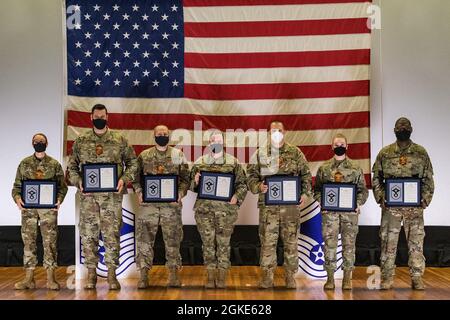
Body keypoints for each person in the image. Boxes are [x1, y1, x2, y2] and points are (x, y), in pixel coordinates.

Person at [67, 104, 138, 290]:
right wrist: (78, 182)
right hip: (88, 198)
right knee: (88, 236)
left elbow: (133, 163)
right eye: (96, 115)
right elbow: (72, 168)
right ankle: (91, 275)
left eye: (103, 115)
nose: (100, 118)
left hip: (112, 198)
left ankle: (111, 275)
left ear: (107, 117)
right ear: (91, 117)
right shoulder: (81, 141)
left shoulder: (119, 139)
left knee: (111, 235)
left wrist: (124, 179)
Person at [247, 121, 312, 289]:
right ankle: (267, 277)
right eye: (273, 130)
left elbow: (306, 176)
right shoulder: (260, 153)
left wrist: (304, 194)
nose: (277, 133)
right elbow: (250, 177)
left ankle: (290, 277)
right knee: (268, 244)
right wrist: (258, 187)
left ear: (285, 132)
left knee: (291, 244)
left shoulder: (295, 153)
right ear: (269, 133)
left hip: (290, 209)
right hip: (268, 209)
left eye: (280, 130)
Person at [372, 117, 434, 290]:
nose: (403, 128)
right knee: (388, 243)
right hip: (391, 209)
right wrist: (381, 197)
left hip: (414, 209)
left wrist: (425, 199)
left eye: (406, 125)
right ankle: (386, 277)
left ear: (411, 129)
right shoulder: (385, 153)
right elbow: (376, 177)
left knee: (416, 243)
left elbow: (428, 179)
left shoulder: (421, 153)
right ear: (394, 129)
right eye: (400, 126)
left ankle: (416, 277)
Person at [132, 125, 190, 289]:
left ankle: (173, 274)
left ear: (169, 135)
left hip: (171, 206)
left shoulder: (178, 155)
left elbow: (186, 178)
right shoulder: (144, 156)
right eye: (159, 134)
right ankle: (143, 275)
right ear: (154, 135)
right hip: (148, 206)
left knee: (173, 240)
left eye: (165, 134)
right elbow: (135, 178)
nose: (162, 136)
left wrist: (180, 193)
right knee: (144, 240)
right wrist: (139, 192)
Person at [190, 130, 248, 289]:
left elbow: (243, 185)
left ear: (223, 143)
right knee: (207, 244)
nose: (216, 143)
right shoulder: (200, 162)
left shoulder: (233, 162)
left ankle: (222, 276)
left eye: (219, 140)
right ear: (209, 143)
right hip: (204, 211)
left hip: (226, 212)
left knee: (223, 244)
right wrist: (195, 181)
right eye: (213, 140)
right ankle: (210, 275)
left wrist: (237, 197)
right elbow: (191, 186)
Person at [12, 133, 68, 290]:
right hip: (28, 211)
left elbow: (62, 187)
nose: (39, 143)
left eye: (42, 141)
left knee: (49, 242)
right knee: (28, 242)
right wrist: (17, 199)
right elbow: (16, 187)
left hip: (48, 210)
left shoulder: (54, 164)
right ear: (32, 143)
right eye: (36, 141)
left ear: (47, 143)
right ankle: (29, 279)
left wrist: (58, 199)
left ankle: (51, 278)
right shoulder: (24, 164)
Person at [314, 133, 368, 290]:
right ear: (332, 146)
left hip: (350, 215)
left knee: (349, 246)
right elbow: (316, 189)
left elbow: (363, 191)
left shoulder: (355, 168)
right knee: (329, 245)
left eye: (342, 144)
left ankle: (347, 278)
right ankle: (330, 278)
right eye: (336, 144)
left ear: (347, 146)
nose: (339, 146)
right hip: (329, 215)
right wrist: (321, 201)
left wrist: (357, 203)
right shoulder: (324, 169)